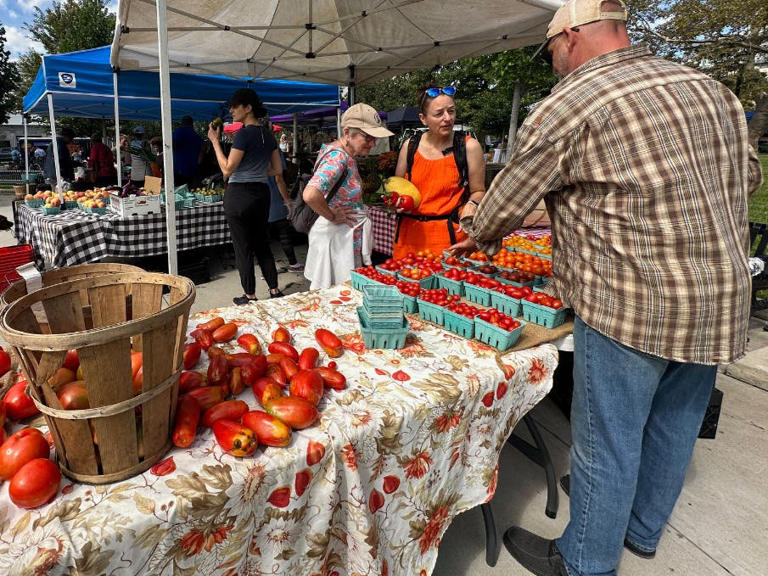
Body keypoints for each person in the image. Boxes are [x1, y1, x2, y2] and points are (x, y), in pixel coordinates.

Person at [450, 2, 763, 576]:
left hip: (630, 300)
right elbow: (747, 178)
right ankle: (641, 531)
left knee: (607, 442)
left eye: (550, 53)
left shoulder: (571, 103)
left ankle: (586, 560)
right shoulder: (711, 87)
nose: (553, 64)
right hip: (720, 295)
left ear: (569, 35)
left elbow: (508, 199)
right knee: (674, 425)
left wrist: (478, 233)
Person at [208, 88, 288, 304]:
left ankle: (249, 295)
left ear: (248, 108)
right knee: (262, 243)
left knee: (242, 246)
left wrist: (215, 142)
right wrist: (258, 171)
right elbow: (277, 169)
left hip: (239, 195)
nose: (231, 110)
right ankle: (274, 290)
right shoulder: (268, 135)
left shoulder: (243, 134)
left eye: (235, 106)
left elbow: (227, 169)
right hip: (261, 194)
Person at [303, 103, 393, 290]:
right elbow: (311, 194)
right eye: (368, 138)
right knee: (336, 296)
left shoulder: (343, 154)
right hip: (337, 241)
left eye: (374, 138)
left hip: (342, 240)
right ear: (347, 133)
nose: (373, 143)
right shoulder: (339, 158)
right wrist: (332, 215)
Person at [392, 85, 486, 259]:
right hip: (408, 238)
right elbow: (397, 187)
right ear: (423, 119)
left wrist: (473, 205)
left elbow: (479, 191)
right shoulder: (410, 146)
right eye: (439, 114)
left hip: (449, 240)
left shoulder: (469, 147)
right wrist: (395, 200)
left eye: (451, 111)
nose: (447, 118)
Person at [267, 144, 304, 272]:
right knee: (283, 233)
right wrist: (287, 200)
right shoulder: (273, 149)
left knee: (263, 238)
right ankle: (293, 263)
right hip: (274, 199)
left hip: (257, 199)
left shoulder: (248, 147)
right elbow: (279, 179)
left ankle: (267, 269)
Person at [173, 115, 203, 186]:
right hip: (193, 168)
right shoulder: (195, 134)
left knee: (179, 191)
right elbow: (202, 148)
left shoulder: (179, 131)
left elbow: (174, 145)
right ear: (192, 123)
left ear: (182, 123)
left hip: (180, 167)